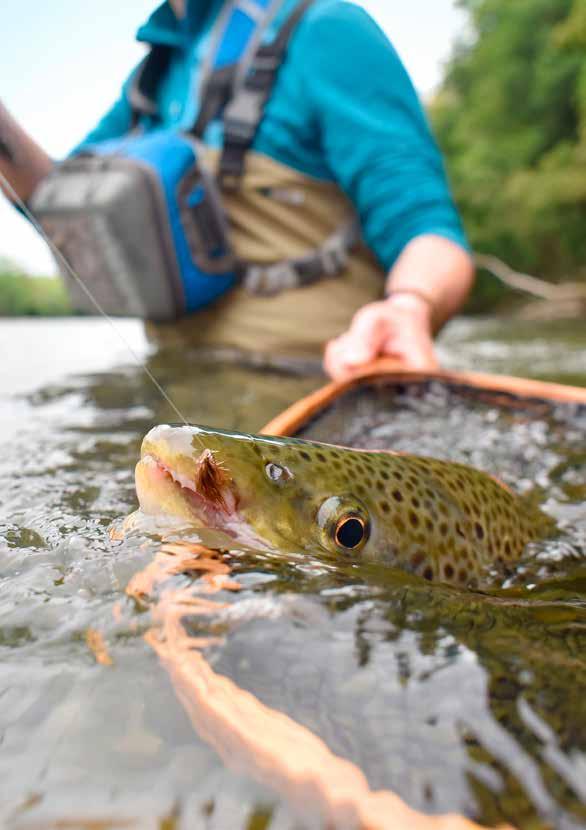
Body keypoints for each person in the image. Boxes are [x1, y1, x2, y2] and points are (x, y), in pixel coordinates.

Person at [0, 0, 474, 379]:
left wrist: (411, 304)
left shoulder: (327, 29)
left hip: (315, 399)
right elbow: (56, 203)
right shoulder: (150, 79)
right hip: (179, 389)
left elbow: (430, 231)